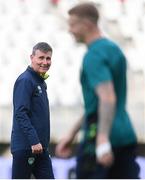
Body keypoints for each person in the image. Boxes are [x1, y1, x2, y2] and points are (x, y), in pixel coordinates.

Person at [55, 3, 140, 179]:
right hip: (125, 135)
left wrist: (102, 139)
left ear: (86, 25)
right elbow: (96, 103)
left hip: (99, 140)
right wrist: (72, 133)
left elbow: (107, 98)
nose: (70, 31)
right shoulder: (114, 49)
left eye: (72, 25)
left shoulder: (93, 56)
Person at [11, 42, 54, 179]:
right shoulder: (25, 80)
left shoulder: (39, 81)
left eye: (48, 58)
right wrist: (34, 140)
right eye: (41, 58)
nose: (45, 62)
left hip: (41, 149)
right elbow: (20, 113)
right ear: (32, 57)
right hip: (27, 147)